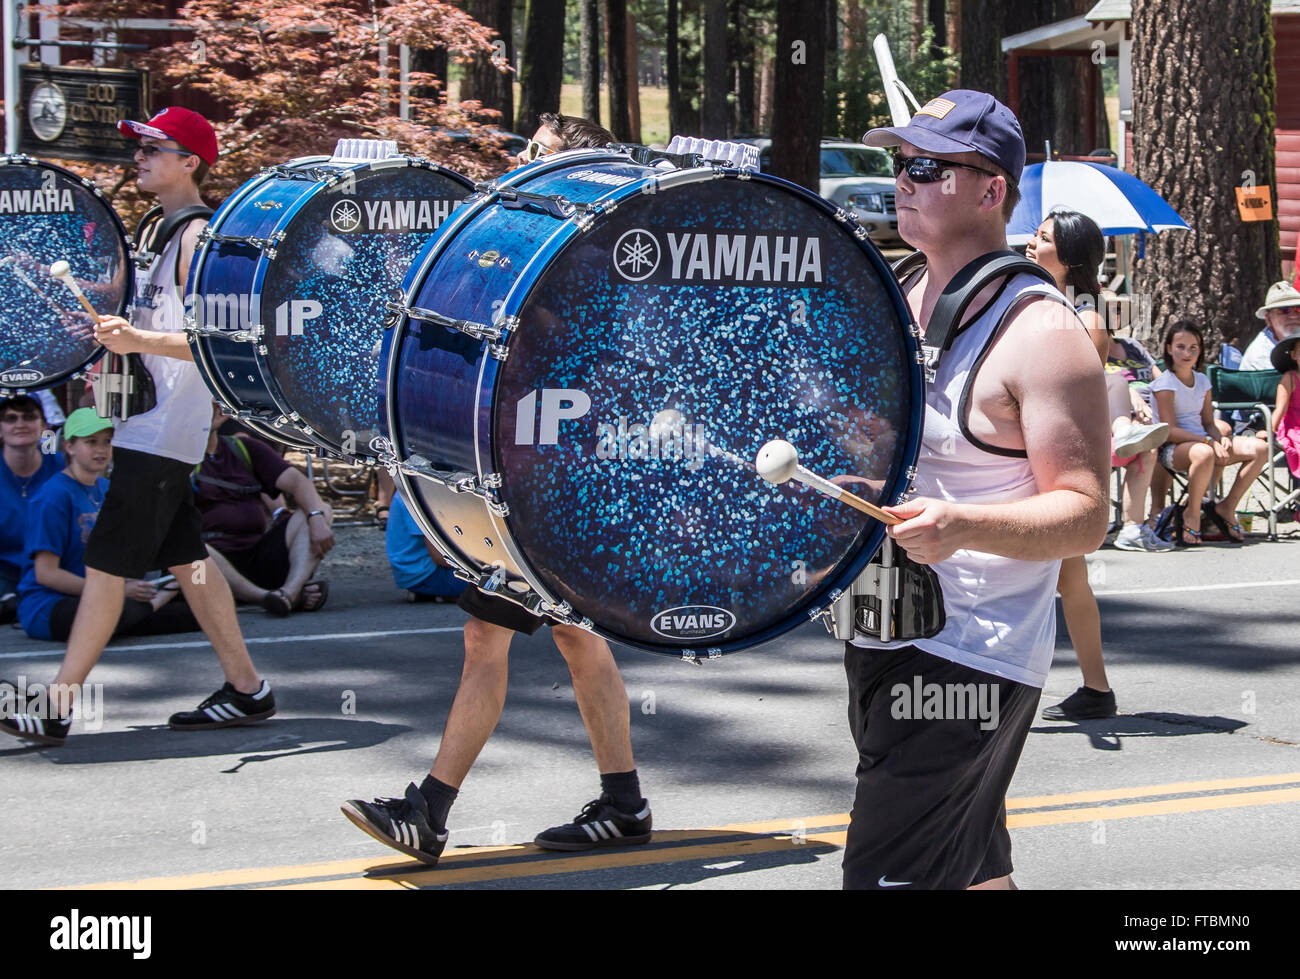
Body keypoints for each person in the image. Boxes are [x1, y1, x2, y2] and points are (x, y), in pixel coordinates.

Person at [342, 114, 653, 867]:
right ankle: (623, 803)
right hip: (539, 477)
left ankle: (431, 810)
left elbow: (576, 346)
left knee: (499, 638)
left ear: (578, 164)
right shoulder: (551, 237)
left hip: (561, 485)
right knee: (576, 640)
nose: (524, 165)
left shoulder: (600, 249)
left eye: (540, 155)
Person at [850, 90, 1110, 889]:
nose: (904, 180)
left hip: (970, 660)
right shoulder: (899, 292)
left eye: (927, 167)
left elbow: (1085, 513)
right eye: (899, 163)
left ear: (993, 190)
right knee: (972, 869)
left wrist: (961, 524)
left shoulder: (1043, 332)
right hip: (883, 633)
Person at [0, 107, 275, 748]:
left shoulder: (197, 237)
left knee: (104, 568)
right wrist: (91, 308)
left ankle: (57, 704)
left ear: (190, 162)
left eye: (156, 148)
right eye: (142, 147)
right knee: (189, 561)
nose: (141, 157)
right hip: (149, 426)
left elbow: (217, 339)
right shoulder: (162, 228)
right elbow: (145, 309)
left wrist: (137, 337)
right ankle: (247, 688)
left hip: (163, 430)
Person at [17, 409, 199, 642]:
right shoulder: (52, 497)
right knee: (109, 614)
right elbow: (46, 574)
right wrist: (119, 591)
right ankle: (154, 603)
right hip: (50, 604)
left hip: (103, 595)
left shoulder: (107, 488)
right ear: (70, 447)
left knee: (194, 612)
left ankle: (148, 604)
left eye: (107, 441)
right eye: (91, 442)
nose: (101, 449)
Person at [196, 403, 334, 615]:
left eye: (212, 407)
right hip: (209, 563)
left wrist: (316, 517)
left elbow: (299, 483)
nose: (207, 412)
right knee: (194, 546)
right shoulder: (178, 459)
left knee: (319, 509)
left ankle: (289, 592)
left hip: (256, 555)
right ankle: (265, 598)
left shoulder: (244, 448)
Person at [1149, 320, 1270, 545]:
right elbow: (1170, 431)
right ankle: (1192, 513)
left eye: (1193, 347)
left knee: (1260, 449)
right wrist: (1207, 441)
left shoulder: (1203, 381)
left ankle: (1227, 506)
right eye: (1181, 347)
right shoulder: (1165, 383)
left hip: (1202, 442)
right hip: (1173, 449)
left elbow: (1208, 421)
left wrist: (1219, 438)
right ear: (1168, 348)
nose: (1187, 353)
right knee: (1204, 454)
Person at [0, 395, 65, 601]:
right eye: (11, 418)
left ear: (43, 424)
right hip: (4, 571)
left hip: (57, 568)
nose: (20, 424)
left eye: (29, 417)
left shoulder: (64, 469)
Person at [385, 492, 464, 603]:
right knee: (489, 586)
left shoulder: (406, 490)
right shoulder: (418, 495)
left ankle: (438, 595)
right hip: (426, 575)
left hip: (411, 573)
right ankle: (443, 594)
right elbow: (439, 557)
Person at [1239, 281, 1300, 370]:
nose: (1293, 316)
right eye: (1283, 309)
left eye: (1298, 309)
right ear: (1268, 318)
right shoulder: (1262, 356)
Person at [1270, 334, 1300, 479]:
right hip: (1294, 427)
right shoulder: (1290, 378)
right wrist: (1269, 430)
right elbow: (1280, 409)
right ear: (1294, 355)